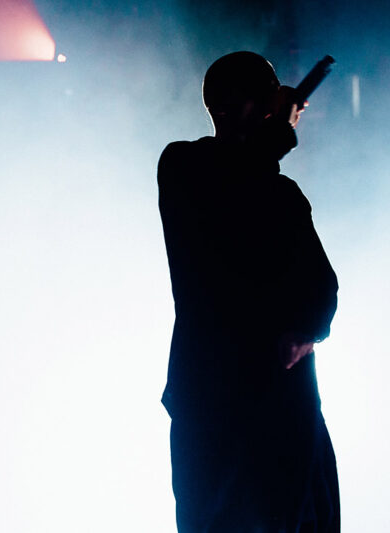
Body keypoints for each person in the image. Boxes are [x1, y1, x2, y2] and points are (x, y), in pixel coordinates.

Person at [157, 51, 340, 532]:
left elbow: (323, 285)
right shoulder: (183, 165)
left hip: (283, 407)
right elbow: (234, 189)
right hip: (219, 407)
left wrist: (310, 327)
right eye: (261, 100)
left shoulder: (282, 194)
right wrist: (280, 131)